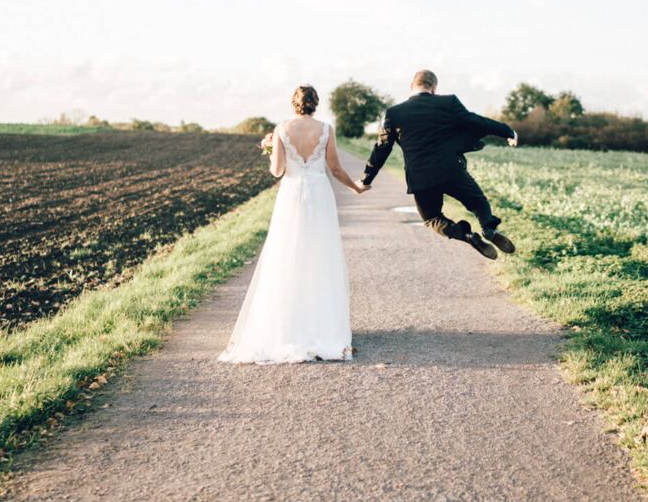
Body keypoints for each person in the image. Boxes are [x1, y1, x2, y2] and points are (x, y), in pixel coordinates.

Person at [218, 85, 368, 364]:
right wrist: (355, 188)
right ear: (315, 104)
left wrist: (270, 147)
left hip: (292, 196)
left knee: (287, 254)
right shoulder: (326, 129)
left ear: (294, 104)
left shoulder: (282, 129)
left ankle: (285, 324)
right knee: (319, 254)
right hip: (319, 195)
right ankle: (321, 325)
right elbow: (335, 169)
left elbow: (277, 170)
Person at [361, 70, 518, 260]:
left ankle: (467, 236)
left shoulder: (394, 113)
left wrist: (366, 179)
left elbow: (382, 148)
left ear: (412, 86)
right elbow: (476, 121)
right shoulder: (448, 102)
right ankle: (489, 229)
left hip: (421, 178)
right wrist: (507, 132)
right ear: (434, 87)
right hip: (451, 170)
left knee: (433, 219)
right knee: (478, 202)